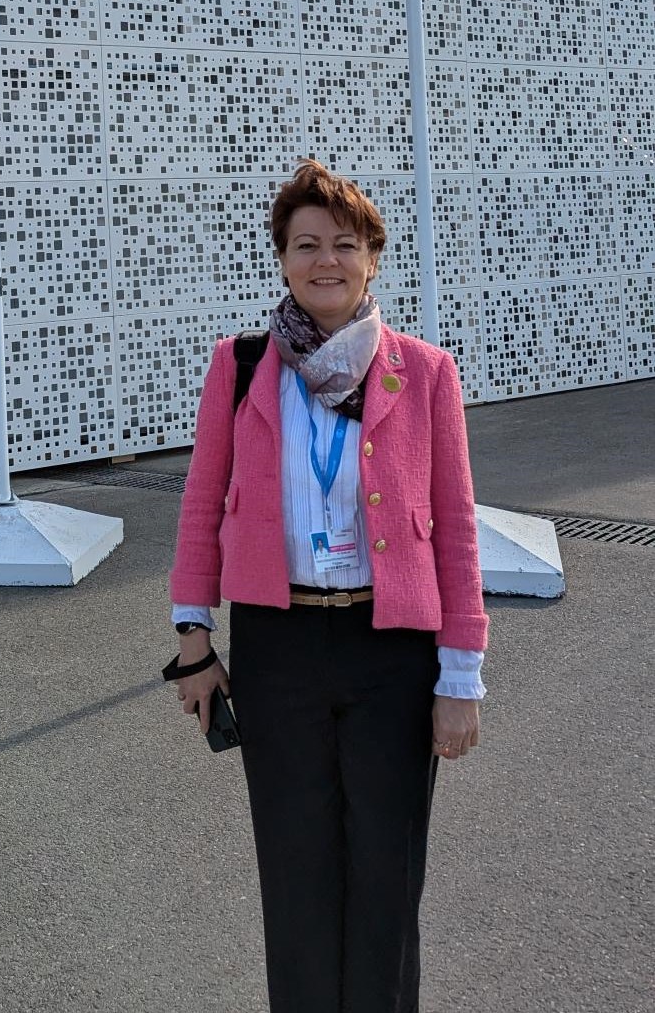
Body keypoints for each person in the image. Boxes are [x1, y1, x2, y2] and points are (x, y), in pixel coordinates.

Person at [168, 159, 487, 1013]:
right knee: (297, 877)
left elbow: (455, 530)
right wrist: (193, 643)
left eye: (343, 245)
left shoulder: (424, 372)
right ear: (281, 260)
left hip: (392, 652)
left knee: (387, 878)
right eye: (305, 245)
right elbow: (202, 504)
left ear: (372, 258)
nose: (325, 261)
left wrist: (461, 677)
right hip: (279, 648)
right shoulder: (240, 367)